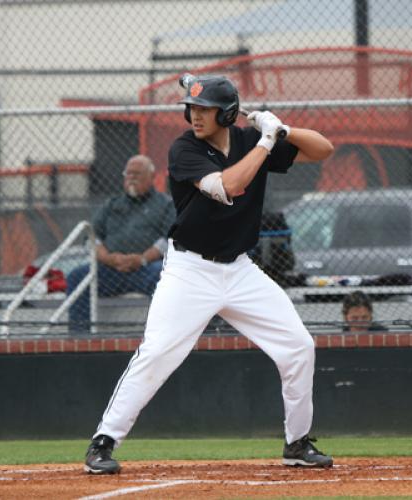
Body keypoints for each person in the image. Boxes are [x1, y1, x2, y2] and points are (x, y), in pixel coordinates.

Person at [84, 74, 335, 474]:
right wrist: (267, 143)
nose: (195, 115)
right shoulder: (185, 149)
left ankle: (297, 442)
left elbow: (323, 150)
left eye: (205, 109)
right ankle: (103, 442)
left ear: (229, 113)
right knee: (158, 353)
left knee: (299, 346)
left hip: (240, 270)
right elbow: (230, 186)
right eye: (192, 108)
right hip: (190, 271)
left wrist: (282, 129)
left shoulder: (250, 141)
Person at [67, 155, 175, 333]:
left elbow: (169, 239)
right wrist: (108, 258)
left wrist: (141, 259)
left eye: (137, 174)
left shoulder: (165, 204)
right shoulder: (111, 204)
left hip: (146, 269)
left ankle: (162, 336)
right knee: (77, 277)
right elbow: (91, 237)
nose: (131, 177)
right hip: (111, 270)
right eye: (128, 173)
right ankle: (80, 338)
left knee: (166, 277)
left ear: (152, 177)